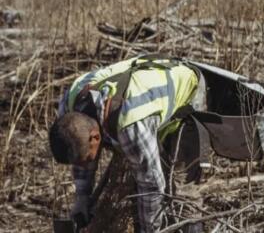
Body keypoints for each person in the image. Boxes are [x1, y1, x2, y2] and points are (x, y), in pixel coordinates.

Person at [49, 55, 209, 233]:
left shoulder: (130, 124)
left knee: (180, 188)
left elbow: (151, 185)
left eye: (87, 159)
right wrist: (82, 198)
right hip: (143, 101)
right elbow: (79, 147)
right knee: (137, 181)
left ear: (95, 137)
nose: (86, 165)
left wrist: (151, 230)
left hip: (187, 92)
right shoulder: (69, 105)